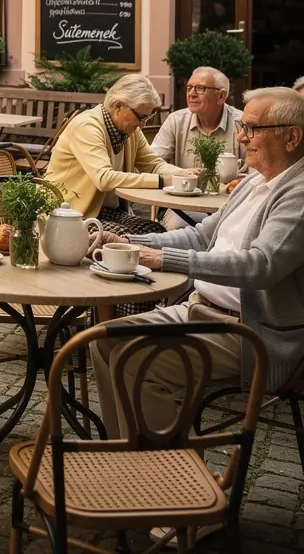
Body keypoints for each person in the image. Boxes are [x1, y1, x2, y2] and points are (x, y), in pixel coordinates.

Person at [91, 87, 304, 448]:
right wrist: (134, 244)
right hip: (200, 311)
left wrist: (164, 260)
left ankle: (172, 479)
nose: (240, 137)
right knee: (103, 340)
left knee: (137, 360)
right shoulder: (253, 182)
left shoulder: (298, 192)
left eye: (251, 128)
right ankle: (131, 455)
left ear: (292, 137)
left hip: (251, 333)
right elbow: (202, 236)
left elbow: (261, 266)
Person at [45, 74, 183, 237]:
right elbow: (104, 179)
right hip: (71, 214)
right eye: (140, 117)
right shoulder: (87, 126)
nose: (142, 124)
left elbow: (153, 164)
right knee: (124, 241)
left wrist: (182, 175)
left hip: (105, 212)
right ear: (118, 106)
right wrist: (161, 181)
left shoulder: (131, 131)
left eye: (147, 117)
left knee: (156, 233)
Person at [150, 66, 243, 230]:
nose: (191, 93)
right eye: (189, 87)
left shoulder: (241, 123)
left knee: (232, 232)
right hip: (182, 203)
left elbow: (257, 172)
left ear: (221, 96)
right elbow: (152, 162)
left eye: (200, 88)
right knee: (177, 227)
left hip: (231, 205)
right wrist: (178, 176)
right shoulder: (176, 121)